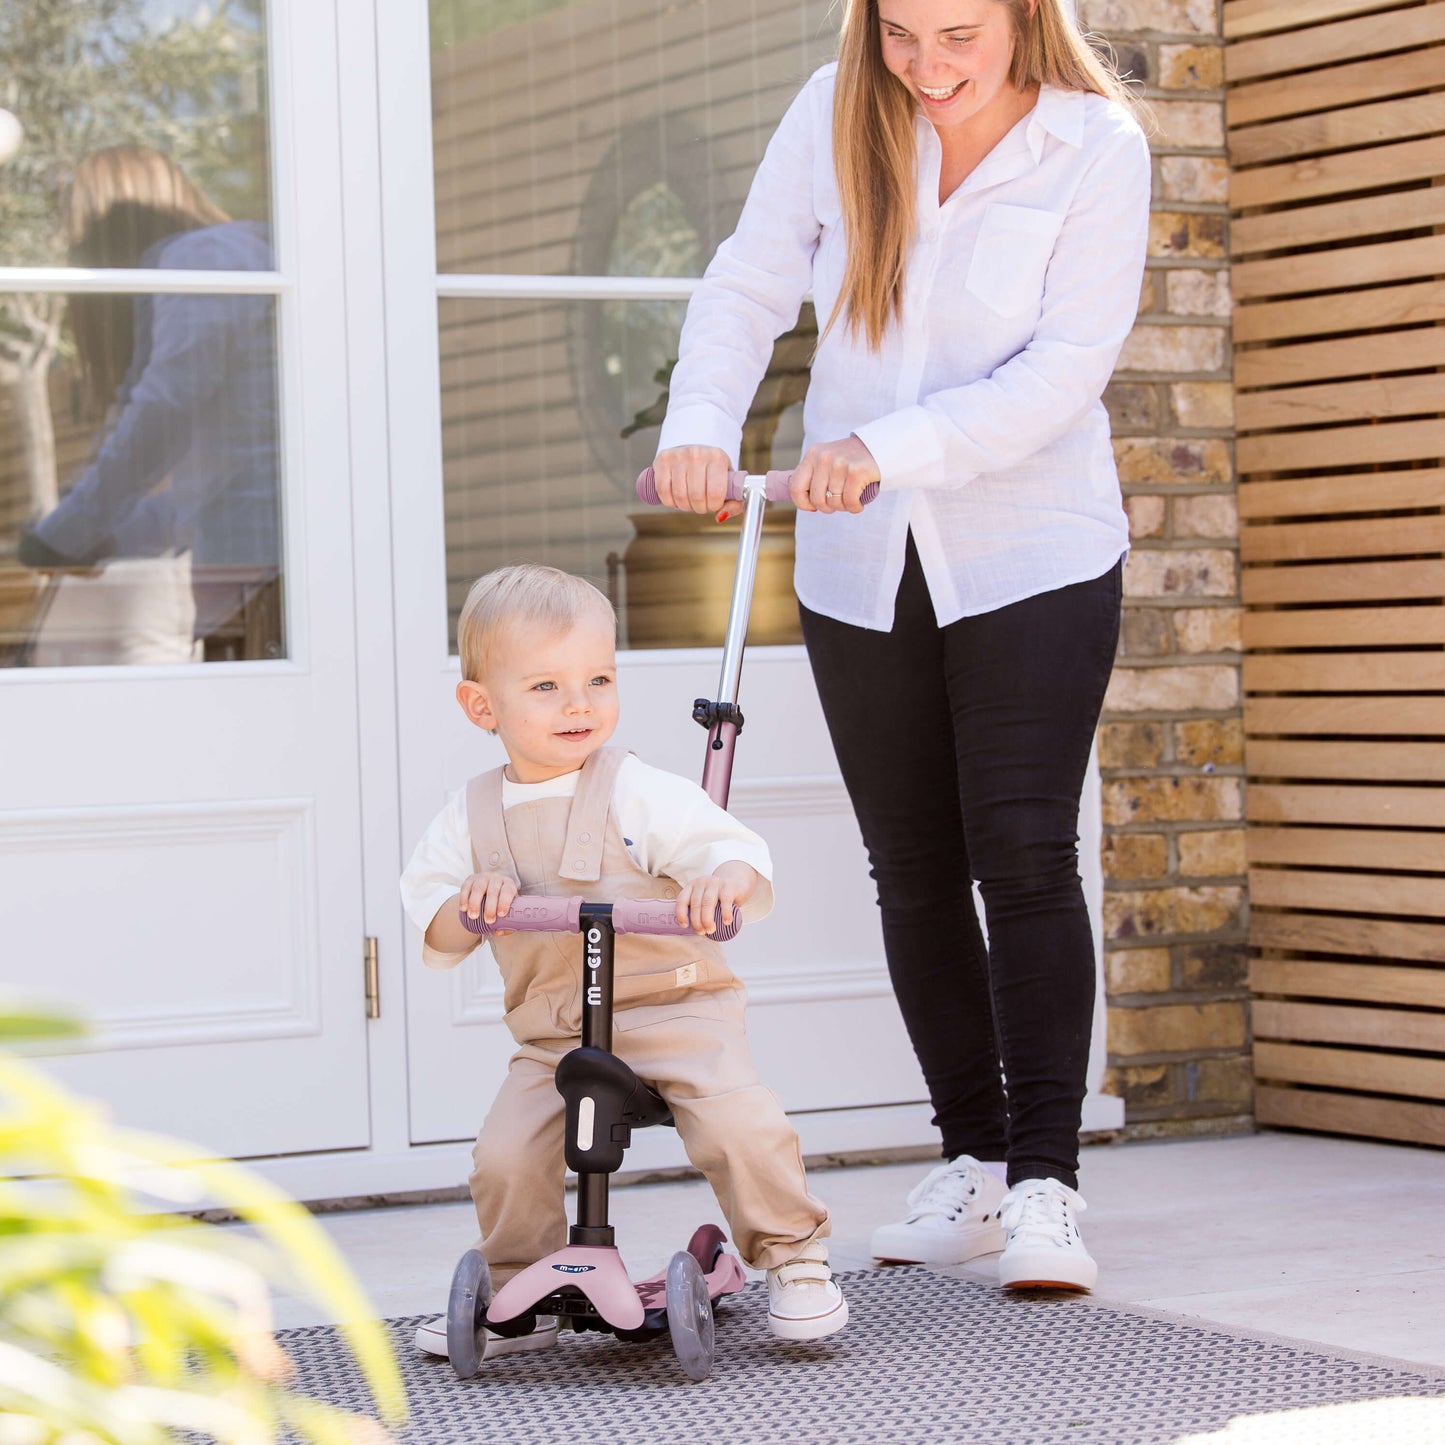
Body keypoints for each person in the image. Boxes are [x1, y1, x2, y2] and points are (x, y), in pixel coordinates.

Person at [650, 0, 1150, 1293]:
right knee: (913, 872)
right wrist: (699, 417)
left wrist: (891, 449)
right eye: (903, 36)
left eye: (960, 37)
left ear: (1027, 15)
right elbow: (749, 281)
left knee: (1025, 856)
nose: (928, 68)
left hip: (1033, 553)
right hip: (860, 569)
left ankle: (1045, 1185)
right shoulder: (831, 115)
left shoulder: (1095, 148)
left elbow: (1065, 370)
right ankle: (974, 1165)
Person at [399, 564, 848, 1360]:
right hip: (556, 1037)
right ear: (482, 705)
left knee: (739, 1118)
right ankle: (519, 1284)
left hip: (674, 1010)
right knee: (504, 1151)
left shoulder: (637, 789)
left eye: (597, 678)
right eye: (545, 685)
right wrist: (471, 900)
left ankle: (794, 1258)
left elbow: (733, 852)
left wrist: (719, 882)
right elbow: (435, 928)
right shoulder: (468, 816)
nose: (579, 703)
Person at [18, 145, 281, 661]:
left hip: (266, 583)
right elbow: (208, 485)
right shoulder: (235, 257)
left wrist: (66, 533)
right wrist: (103, 538)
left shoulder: (202, 259)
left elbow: (164, 410)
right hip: (261, 580)